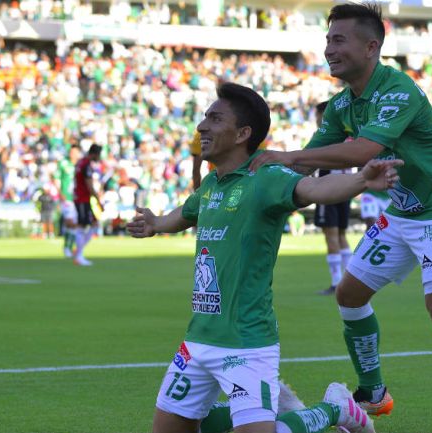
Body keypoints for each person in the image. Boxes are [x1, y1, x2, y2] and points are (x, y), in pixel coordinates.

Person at [249, 3, 432, 433]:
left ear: (371, 46)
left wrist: (288, 155)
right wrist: (250, 176)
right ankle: (374, 392)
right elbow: (306, 163)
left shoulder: (398, 90)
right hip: (402, 213)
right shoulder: (344, 104)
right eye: (327, 40)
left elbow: (362, 152)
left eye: (338, 40)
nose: (329, 48)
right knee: (349, 294)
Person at [127, 83, 402, 433]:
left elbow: (313, 189)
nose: (202, 127)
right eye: (204, 118)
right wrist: (156, 224)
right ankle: (270, 406)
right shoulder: (213, 183)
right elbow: (187, 212)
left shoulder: (266, 177)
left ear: (243, 133)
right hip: (198, 341)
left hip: (247, 342)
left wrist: (361, 180)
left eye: (214, 118)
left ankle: (334, 410)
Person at [311, 101, 352, 296]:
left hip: (327, 189)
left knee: (331, 235)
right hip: (346, 188)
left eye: (318, 116)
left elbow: (311, 159)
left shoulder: (324, 136)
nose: (316, 120)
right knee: (342, 235)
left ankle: (337, 282)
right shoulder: (348, 135)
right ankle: (353, 279)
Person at [73, 144, 103, 266]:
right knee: (82, 226)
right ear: (95, 154)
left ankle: (79, 252)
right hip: (83, 199)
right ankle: (79, 255)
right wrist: (99, 201)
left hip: (80, 198)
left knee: (94, 224)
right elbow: (89, 186)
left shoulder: (81, 162)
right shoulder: (86, 165)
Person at [57, 145, 81, 258]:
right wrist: (60, 193)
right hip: (66, 197)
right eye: (72, 152)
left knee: (73, 225)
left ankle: (69, 247)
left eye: (75, 152)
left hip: (77, 198)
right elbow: (57, 179)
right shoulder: (63, 163)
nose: (73, 154)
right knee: (70, 222)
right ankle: (67, 248)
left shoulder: (80, 165)